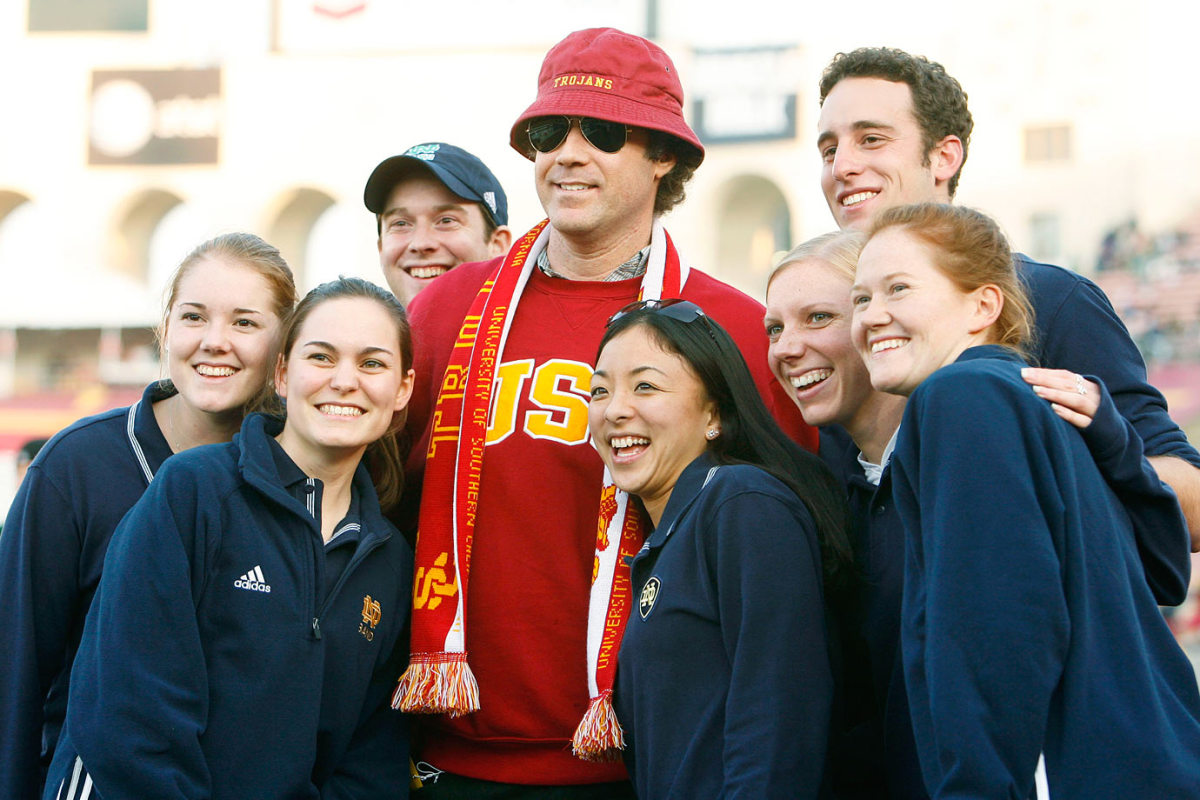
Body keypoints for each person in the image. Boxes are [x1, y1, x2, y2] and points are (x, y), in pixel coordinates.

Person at [392, 27, 812, 796]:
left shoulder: (738, 332)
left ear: (665, 158)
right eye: (550, 133)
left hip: (650, 762)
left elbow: (789, 568)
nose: (569, 154)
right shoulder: (446, 310)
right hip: (449, 757)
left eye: (606, 134)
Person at [851, 202, 1200, 798]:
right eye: (860, 298)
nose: (871, 316)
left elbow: (998, 630)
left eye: (898, 289)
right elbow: (1164, 566)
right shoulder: (1033, 402)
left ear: (983, 306)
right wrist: (1115, 446)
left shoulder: (962, 398)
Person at [43, 277, 416, 800]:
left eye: (372, 363)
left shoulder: (390, 560)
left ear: (402, 389)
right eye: (322, 357)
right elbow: (130, 711)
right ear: (283, 373)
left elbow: (369, 757)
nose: (345, 381)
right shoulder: (195, 491)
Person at [815, 46, 1200, 547]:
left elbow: (1191, 504)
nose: (842, 165)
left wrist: (1063, 454)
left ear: (944, 157)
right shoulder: (816, 321)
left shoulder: (1050, 298)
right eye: (828, 150)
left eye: (871, 140)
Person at [0, 232, 297, 800]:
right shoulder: (76, 467)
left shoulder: (301, 475)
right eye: (193, 317)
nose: (215, 342)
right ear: (165, 330)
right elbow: (15, 672)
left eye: (244, 323)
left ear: (284, 347)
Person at [588, 299, 849, 797]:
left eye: (645, 386)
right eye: (600, 390)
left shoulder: (742, 503)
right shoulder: (675, 528)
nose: (615, 409)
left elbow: (780, 712)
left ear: (714, 412)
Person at [364, 142, 512, 306]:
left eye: (446, 221)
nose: (421, 244)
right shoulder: (350, 329)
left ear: (498, 244)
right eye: (400, 223)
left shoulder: (539, 329)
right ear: (381, 247)